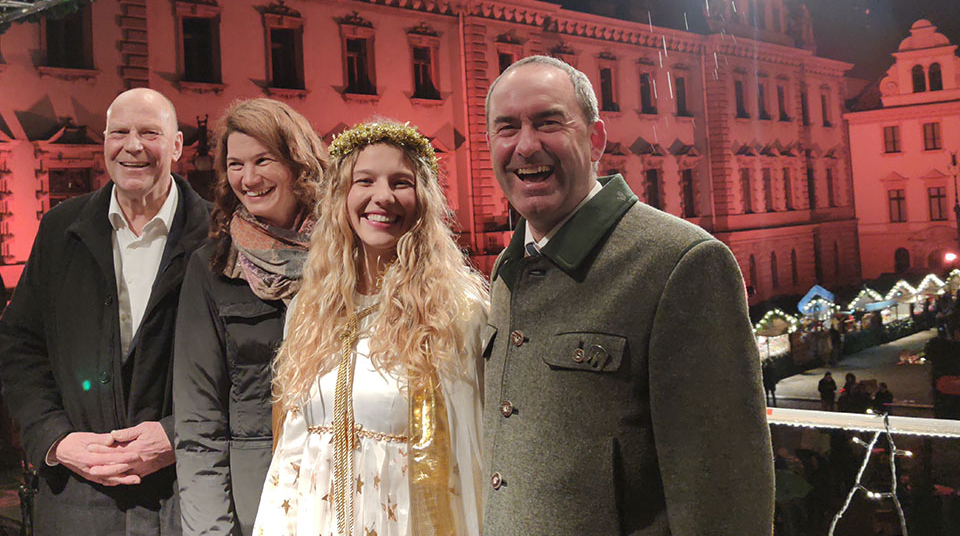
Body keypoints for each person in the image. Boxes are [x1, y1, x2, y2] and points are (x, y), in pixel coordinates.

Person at [481, 54, 774, 534]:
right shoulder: (508, 269)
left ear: (596, 139)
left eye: (548, 122)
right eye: (506, 128)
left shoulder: (681, 262)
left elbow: (725, 497)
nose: (525, 146)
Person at [253, 120, 489, 535]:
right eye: (365, 181)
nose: (383, 197)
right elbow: (291, 452)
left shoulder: (456, 312)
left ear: (424, 200)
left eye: (401, 182)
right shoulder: (309, 309)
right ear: (342, 196)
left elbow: (474, 453)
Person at [0, 88, 209, 534]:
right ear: (105, 144)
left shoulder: (218, 237)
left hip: (187, 497)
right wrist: (56, 439)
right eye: (120, 132)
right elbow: (18, 347)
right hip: (77, 499)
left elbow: (250, 366)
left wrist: (178, 434)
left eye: (149, 132)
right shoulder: (60, 230)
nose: (132, 145)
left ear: (176, 146)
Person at [173, 98, 327, 535]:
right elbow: (198, 423)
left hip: (342, 490)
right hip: (254, 506)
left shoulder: (345, 257)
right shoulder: (213, 267)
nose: (249, 178)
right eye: (236, 164)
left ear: (299, 163)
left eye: (264, 160)